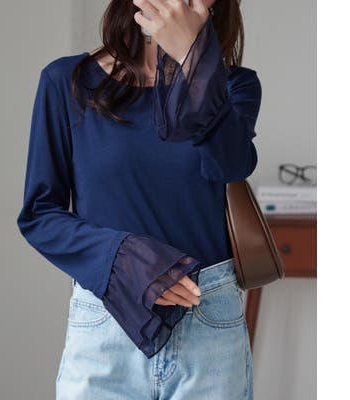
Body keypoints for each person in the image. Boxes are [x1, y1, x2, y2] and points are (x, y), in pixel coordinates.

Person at [16, 0, 261, 398]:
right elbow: (39, 215)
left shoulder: (235, 86)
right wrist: (127, 259)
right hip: (106, 324)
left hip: (209, 321)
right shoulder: (67, 82)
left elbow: (230, 165)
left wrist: (193, 61)